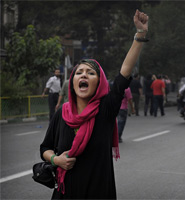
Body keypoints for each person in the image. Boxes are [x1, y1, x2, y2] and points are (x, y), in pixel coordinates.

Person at [40, 9, 149, 199]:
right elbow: (45, 148)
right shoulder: (62, 113)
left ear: (99, 83)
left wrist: (140, 34)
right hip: (65, 193)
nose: (84, 74)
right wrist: (56, 159)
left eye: (91, 73)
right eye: (79, 72)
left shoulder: (105, 109)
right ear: (73, 82)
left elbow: (124, 72)